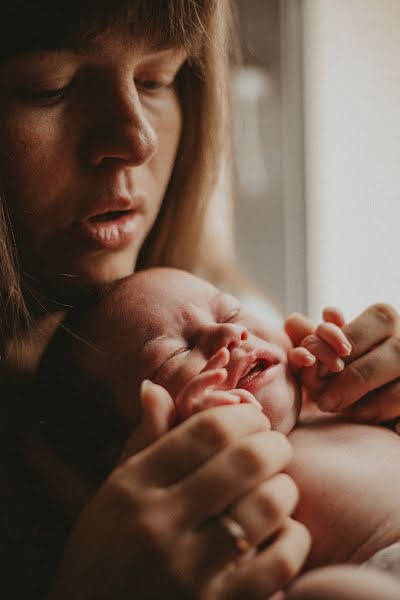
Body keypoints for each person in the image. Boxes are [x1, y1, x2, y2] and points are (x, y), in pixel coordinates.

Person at [0, 1, 399, 598]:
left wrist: (376, 384)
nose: (138, 139)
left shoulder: (213, 300)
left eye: (156, 78)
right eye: (48, 87)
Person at [35, 267, 400, 598]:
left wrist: (357, 376)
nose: (228, 332)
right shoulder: (205, 492)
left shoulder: (334, 400)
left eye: (231, 311)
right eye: (174, 354)